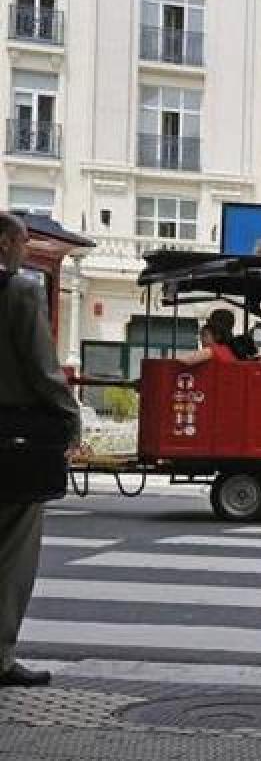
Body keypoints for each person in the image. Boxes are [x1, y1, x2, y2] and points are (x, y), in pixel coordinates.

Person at [0, 212, 81, 688]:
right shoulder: (20, 293)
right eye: (23, 242)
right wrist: (70, 418)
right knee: (12, 552)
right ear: (6, 242)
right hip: (12, 437)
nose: (24, 251)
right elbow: (42, 369)